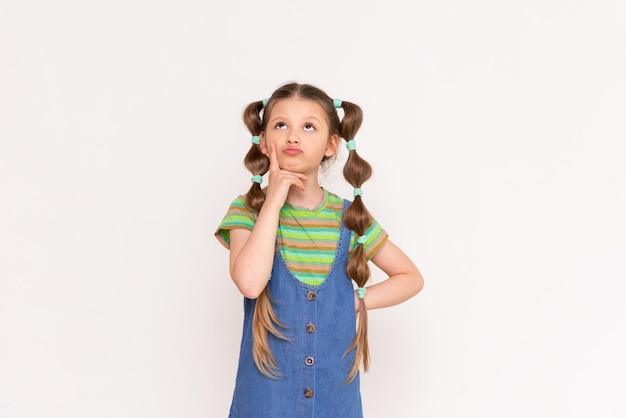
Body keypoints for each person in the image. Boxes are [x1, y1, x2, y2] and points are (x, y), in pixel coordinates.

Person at [215, 81, 424, 418]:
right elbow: (250, 283)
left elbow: (410, 277)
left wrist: (354, 301)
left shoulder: (350, 218)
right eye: (280, 125)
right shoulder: (248, 210)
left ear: (331, 146)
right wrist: (273, 201)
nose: (293, 137)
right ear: (265, 143)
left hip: (334, 400)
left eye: (308, 126)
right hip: (266, 402)